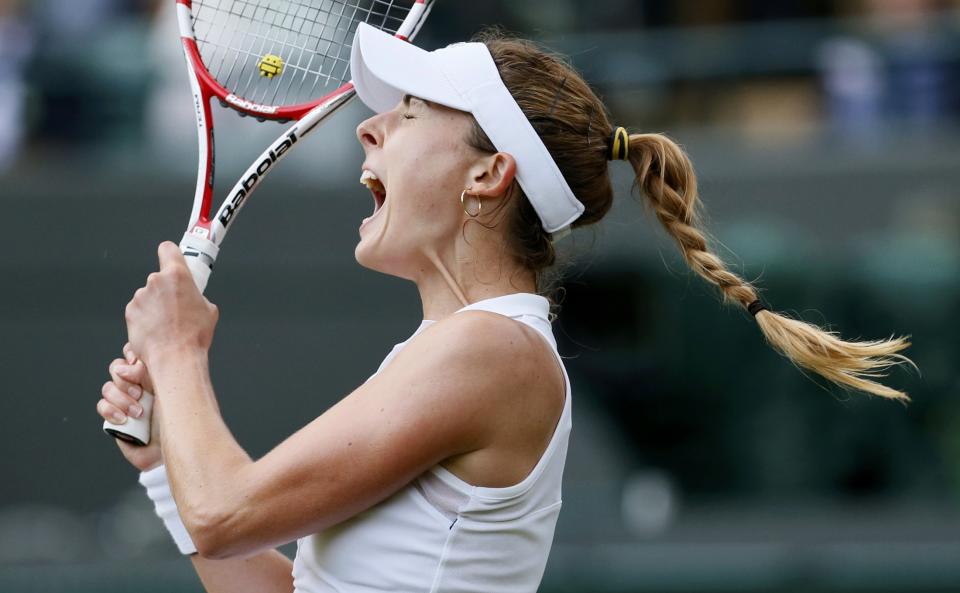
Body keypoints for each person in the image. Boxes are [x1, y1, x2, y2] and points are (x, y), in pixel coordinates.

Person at [95, 23, 916, 593]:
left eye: (409, 113)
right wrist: (169, 467)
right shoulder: (454, 350)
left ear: (489, 174)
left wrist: (177, 349)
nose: (368, 129)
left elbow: (229, 510)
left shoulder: (492, 354)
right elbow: (249, 547)